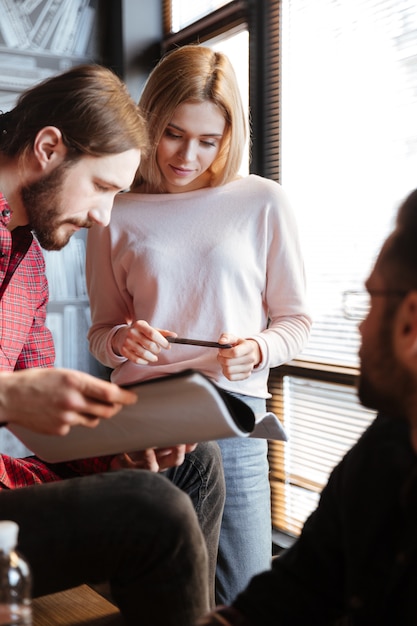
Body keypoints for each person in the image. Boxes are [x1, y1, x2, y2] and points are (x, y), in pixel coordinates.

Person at [0, 63, 225, 626]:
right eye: (102, 188)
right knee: (153, 512)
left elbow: (44, 419)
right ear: (49, 147)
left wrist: (123, 445)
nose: (104, 218)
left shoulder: (29, 266)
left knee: (195, 465)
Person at [86, 44, 311, 604]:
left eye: (209, 141)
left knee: (242, 599)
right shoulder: (115, 209)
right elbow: (102, 333)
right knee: (155, 601)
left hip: (233, 420)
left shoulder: (262, 201)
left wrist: (257, 349)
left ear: (229, 138)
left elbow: (295, 321)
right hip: (146, 430)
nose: (188, 155)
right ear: (149, 122)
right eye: (173, 133)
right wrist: (122, 340)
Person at [196, 185, 417, 625]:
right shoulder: (382, 449)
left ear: (410, 322)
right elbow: (299, 586)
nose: (359, 327)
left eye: (371, 301)